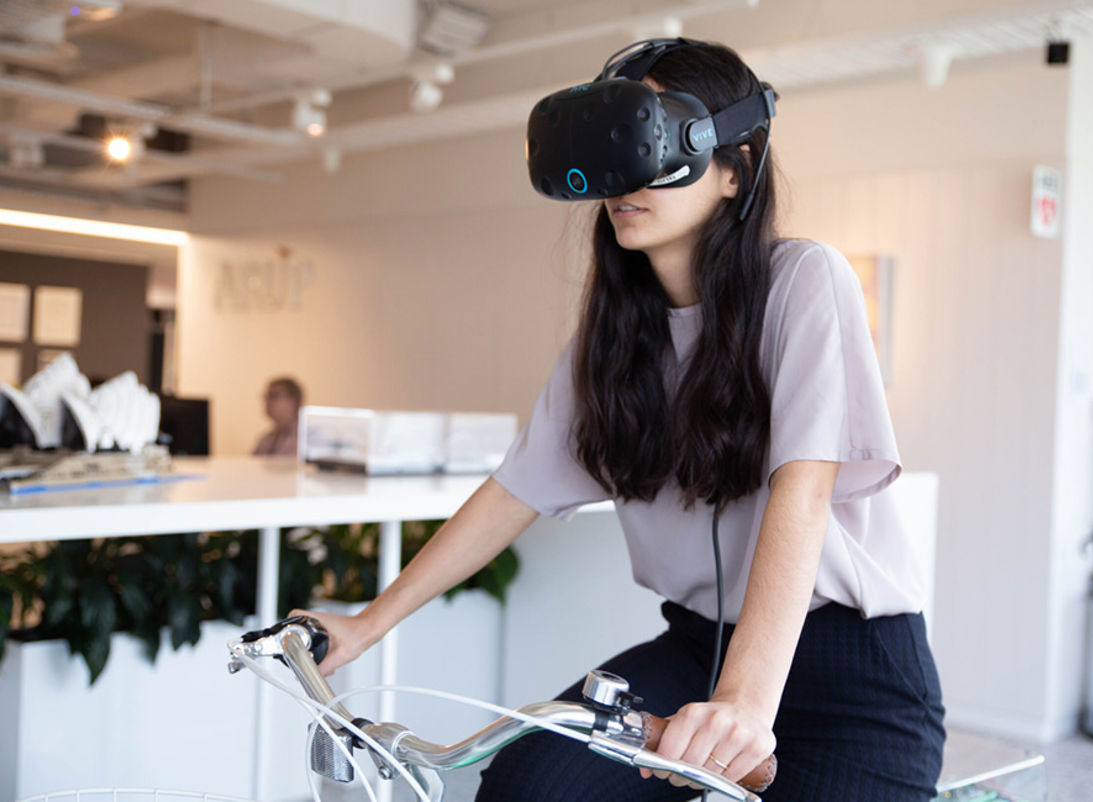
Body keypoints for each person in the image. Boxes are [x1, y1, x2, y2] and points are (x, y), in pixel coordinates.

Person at [296, 39, 945, 801]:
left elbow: (801, 494)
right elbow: (515, 492)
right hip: (695, 648)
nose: (626, 176)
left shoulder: (802, 283)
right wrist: (367, 625)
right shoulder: (611, 340)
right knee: (529, 784)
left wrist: (747, 702)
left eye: (653, 140)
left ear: (733, 168)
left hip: (851, 675)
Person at [252, 376, 302, 457]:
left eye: (273, 396)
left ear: (293, 401)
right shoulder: (266, 439)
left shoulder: (306, 441)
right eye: (266, 396)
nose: (267, 401)